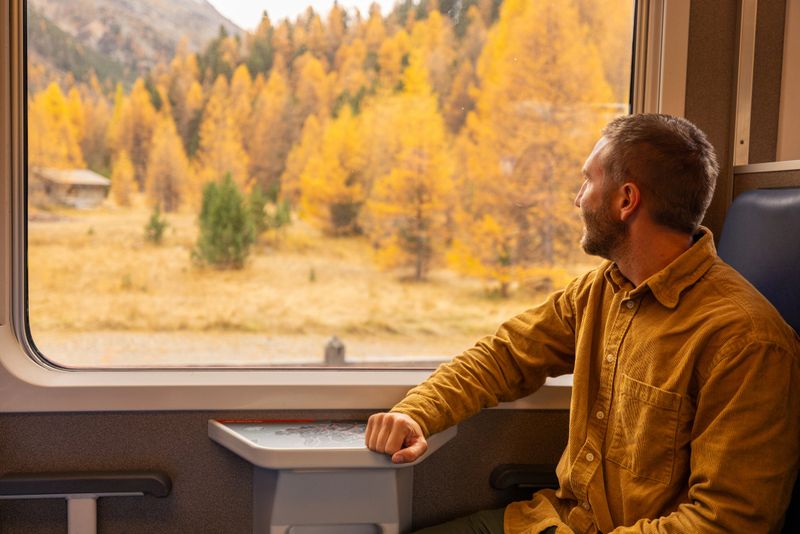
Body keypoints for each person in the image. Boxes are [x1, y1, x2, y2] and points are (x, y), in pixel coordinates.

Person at [365, 113, 800, 533]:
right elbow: (503, 356)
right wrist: (415, 414)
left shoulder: (746, 342)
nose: (577, 198)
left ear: (626, 200)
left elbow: (729, 522)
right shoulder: (602, 289)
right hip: (553, 520)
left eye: (588, 180)